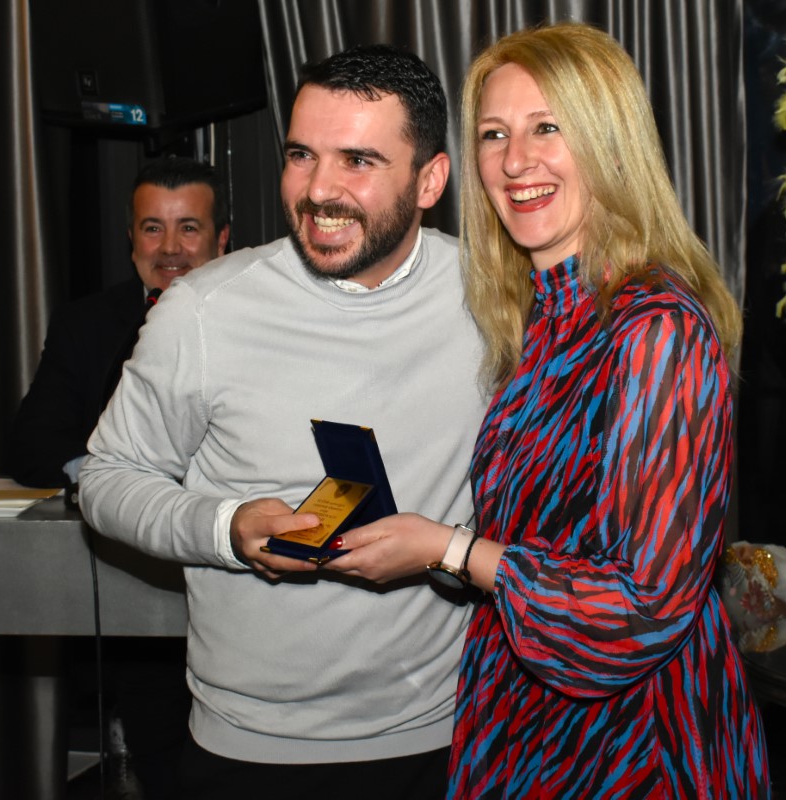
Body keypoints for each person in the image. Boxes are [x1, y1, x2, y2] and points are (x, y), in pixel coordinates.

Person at [325, 22, 771, 798]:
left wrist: (453, 550)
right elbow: (546, 539)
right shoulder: (543, 322)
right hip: (529, 728)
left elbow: (641, 608)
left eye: (547, 128)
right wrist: (429, 545)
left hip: (634, 749)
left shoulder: (655, 328)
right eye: (494, 134)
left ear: (610, 144)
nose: (515, 161)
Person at [79, 44, 486, 799]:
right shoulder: (204, 310)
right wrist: (225, 527)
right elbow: (106, 480)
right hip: (249, 750)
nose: (319, 190)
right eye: (302, 155)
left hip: (449, 739)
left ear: (430, 180)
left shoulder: (493, 299)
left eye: (357, 160)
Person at [9, 156, 230, 490]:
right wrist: (111, 480)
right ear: (132, 239)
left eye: (188, 228)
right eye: (153, 228)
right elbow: (32, 447)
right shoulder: (82, 325)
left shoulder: (256, 322)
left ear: (221, 239)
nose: (170, 247)